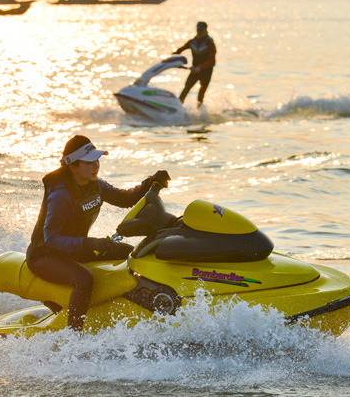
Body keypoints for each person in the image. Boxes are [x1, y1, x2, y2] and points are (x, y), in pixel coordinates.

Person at [26, 135, 171, 332]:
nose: (96, 165)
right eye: (89, 162)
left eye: (97, 159)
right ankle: (74, 337)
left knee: (131, 252)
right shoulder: (61, 194)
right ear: (73, 166)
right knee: (84, 279)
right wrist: (92, 244)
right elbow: (51, 239)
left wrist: (151, 182)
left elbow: (125, 199)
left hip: (74, 250)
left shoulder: (96, 185)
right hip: (44, 255)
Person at [173, 21, 217, 108]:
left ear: (206, 31)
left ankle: (199, 111)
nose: (199, 32)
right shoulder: (192, 42)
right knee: (186, 88)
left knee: (201, 92)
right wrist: (171, 59)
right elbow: (179, 51)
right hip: (195, 70)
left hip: (206, 71)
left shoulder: (210, 43)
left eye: (201, 30)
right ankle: (177, 107)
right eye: (198, 30)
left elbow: (212, 61)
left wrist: (200, 68)